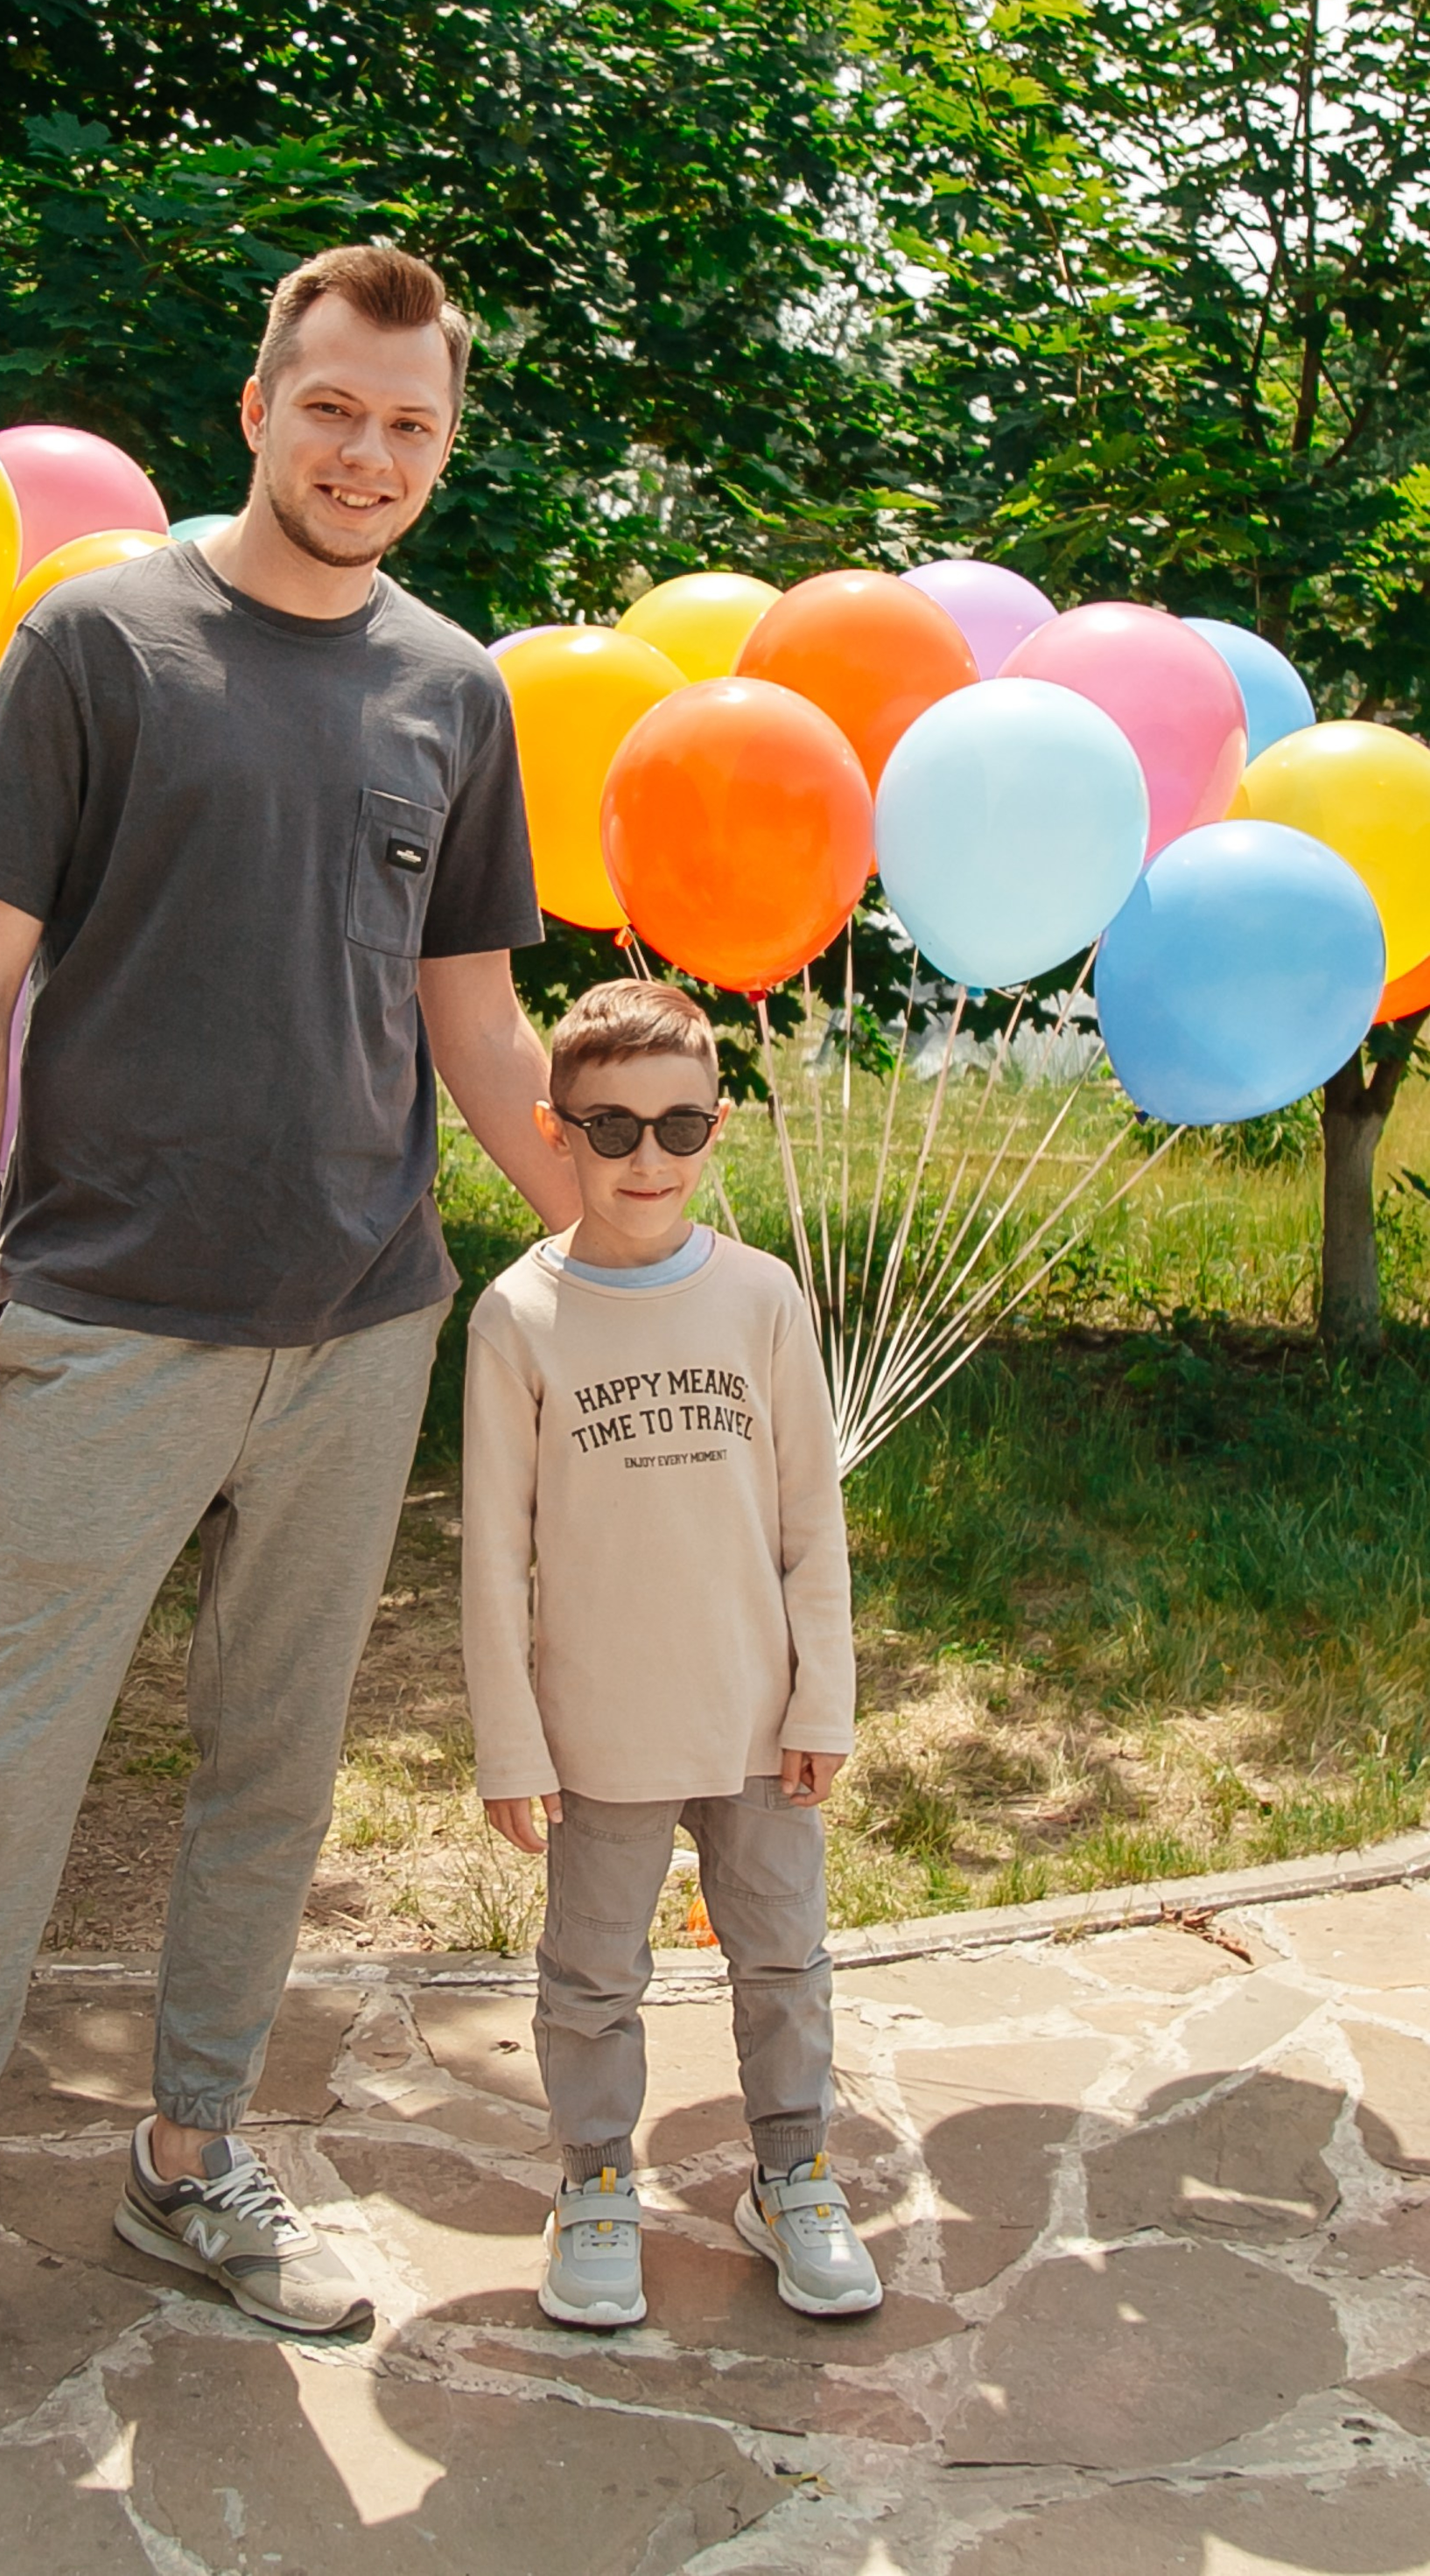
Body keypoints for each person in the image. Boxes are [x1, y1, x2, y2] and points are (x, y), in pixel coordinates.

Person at [0, 244, 577, 2467]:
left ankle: (192, 2158)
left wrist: (617, 1230)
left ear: (443, 443)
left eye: (410, 427)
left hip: (361, 1319)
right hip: (103, 1327)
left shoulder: (452, 690)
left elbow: (472, 1018)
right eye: (334, 410)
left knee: (271, 1769)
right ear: (257, 402)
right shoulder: (101, 642)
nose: (368, 456)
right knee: (2, 1775)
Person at [460, 976, 880, 2331]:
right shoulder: (515, 1318)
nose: (648, 1158)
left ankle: (793, 2174)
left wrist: (825, 1690)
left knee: (783, 1960)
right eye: (612, 1127)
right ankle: (592, 2185)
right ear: (555, 1130)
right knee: (591, 1975)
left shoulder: (761, 1299)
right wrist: (510, 1739)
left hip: (760, 1722)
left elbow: (809, 1518)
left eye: (681, 1126)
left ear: (714, 1131)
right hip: (600, 1732)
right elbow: (488, 1556)